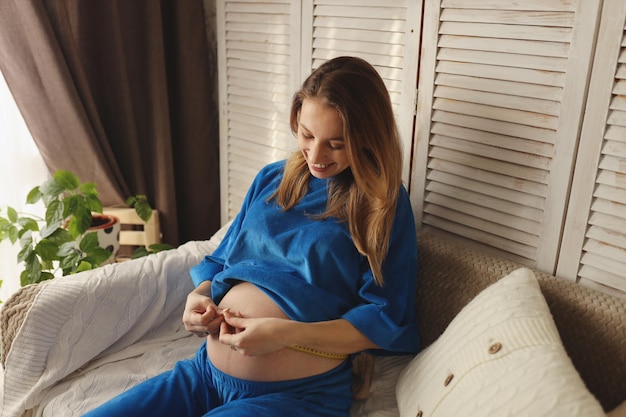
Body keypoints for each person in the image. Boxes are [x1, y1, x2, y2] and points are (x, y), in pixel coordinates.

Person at [83, 56, 419, 417]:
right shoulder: (273, 179)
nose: (316, 156)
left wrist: (284, 334)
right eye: (307, 135)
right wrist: (197, 299)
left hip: (297, 395)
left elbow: (383, 320)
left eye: (336, 144)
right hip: (203, 376)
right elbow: (222, 262)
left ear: (368, 137)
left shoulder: (383, 203)